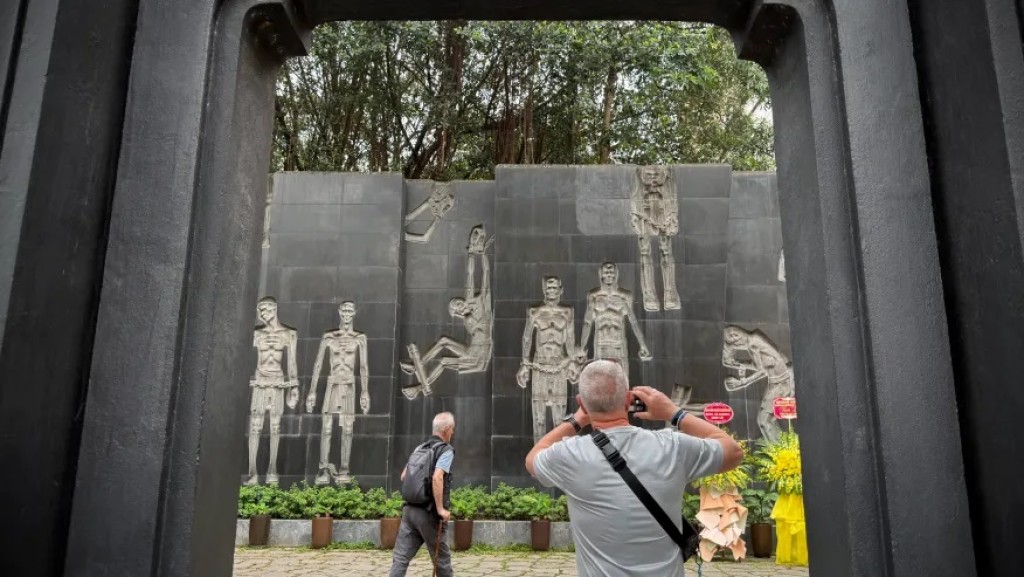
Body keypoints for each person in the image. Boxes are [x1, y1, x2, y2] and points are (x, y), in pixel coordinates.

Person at [525, 360, 744, 577]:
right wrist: (673, 413)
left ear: (581, 403)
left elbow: (532, 459)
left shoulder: (569, 455)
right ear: (629, 399)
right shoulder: (672, 447)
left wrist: (577, 420)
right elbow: (733, 452)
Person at [390, 412, 456, 577]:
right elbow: (437, 477)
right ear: (447, 430)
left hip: (409, 512)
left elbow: (404, 476)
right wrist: (440, 509)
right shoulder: (445, 450)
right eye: (452, 429)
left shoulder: (419, 448)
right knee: (441, 560)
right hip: (428, 514)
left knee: (400, 558)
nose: (453, 433)